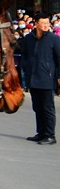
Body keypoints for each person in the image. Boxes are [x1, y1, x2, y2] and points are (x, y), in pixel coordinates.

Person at [19, 12, 60, 145]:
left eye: (47, 23)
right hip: (32, 78)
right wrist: (26, 67)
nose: (46, 25)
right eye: (43, 23)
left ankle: (50, 135)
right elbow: (24, 55)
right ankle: (41, 133)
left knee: (47, 108)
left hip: (47, 78)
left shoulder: (54, 39)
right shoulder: (28, 39)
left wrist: (58, 76)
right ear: (36, 24)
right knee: (37, 107)